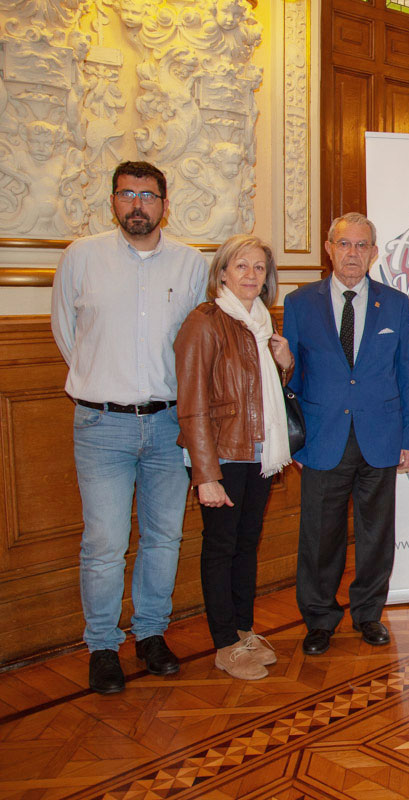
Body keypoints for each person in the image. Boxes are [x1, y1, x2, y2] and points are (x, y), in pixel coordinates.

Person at [50, 161, 207, 694]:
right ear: (113, 201)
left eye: (148, 195)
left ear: (165, 203)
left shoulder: (191, 265)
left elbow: (201, 342)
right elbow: (66, 332)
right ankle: (102, 646)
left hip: (169, 425)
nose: (137, 204)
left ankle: (150, 635)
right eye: (127, 194)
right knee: (104, 543)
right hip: (101, 424)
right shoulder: (81, 258)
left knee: (164, 538)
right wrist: (103, 383)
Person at [283, 212, 409, 656]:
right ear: (329, 248)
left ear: (374, 253)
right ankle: (320, 620)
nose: (353, 254)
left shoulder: (395, 304)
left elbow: (406, 373)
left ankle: (368, 614)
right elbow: (290, 378)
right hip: (323, 439)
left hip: (380, 436)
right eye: (345, 244)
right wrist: (294, 440)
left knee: (377, 533)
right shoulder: (300, 303)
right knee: (320, 537)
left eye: (362, 246)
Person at [174, 235, 293, 680]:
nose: (250, 275)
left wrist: (285, 362)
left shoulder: (262, 322)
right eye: (240, 266)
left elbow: (264, 394)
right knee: (221, 546)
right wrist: (205, 473)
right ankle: (224, 643)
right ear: (222, 272)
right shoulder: (204, 322)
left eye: (258, 268)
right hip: (223, 453)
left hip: (260, 451)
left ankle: (243, 629)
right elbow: (192, 402)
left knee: (247, 542)